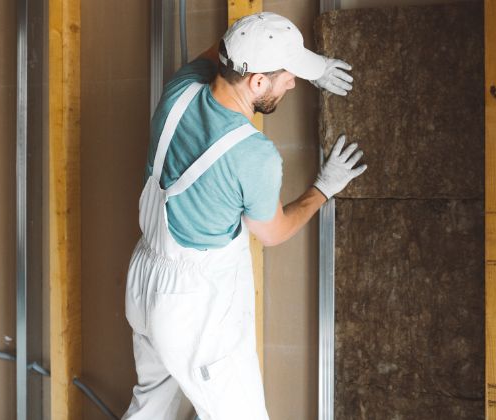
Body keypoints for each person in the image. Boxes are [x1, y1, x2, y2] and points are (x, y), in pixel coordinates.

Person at [123, 12, 365, 420]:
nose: (293, 83)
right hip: (192, 307)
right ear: (256, 82)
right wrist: (323, 188)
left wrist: (314, 67)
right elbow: (272, 232)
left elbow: (220, 50)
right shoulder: (253, 155)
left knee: (149, 411)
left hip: (144, 283)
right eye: (289, 76)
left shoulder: (180, 90)